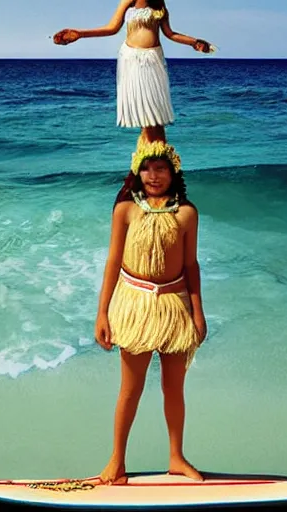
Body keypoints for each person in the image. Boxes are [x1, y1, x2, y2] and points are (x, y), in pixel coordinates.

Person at [94, 139, 207, 484]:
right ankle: (116, 462)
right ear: (137, 172)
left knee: (174, 389)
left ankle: (176, 457)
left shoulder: (186, 214)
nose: (153, 175)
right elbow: (113, 262)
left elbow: (191, 265)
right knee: (131, 388)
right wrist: (102, 313)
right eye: (146, 168)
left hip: (174, 306)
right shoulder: (126, 210)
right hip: (135, 305)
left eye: (161, 168)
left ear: (173, 172)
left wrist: (198, 313)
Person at [53, 0, 214, 143]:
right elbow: (112, 28)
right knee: (146, 114)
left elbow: (170, 33)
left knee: (155, 114)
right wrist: (80, 34)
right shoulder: (128, 0)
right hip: (132, 58)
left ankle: (157, 159)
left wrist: (194, 42)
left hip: (153, 59)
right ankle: (150, 160)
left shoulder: (159, 3)